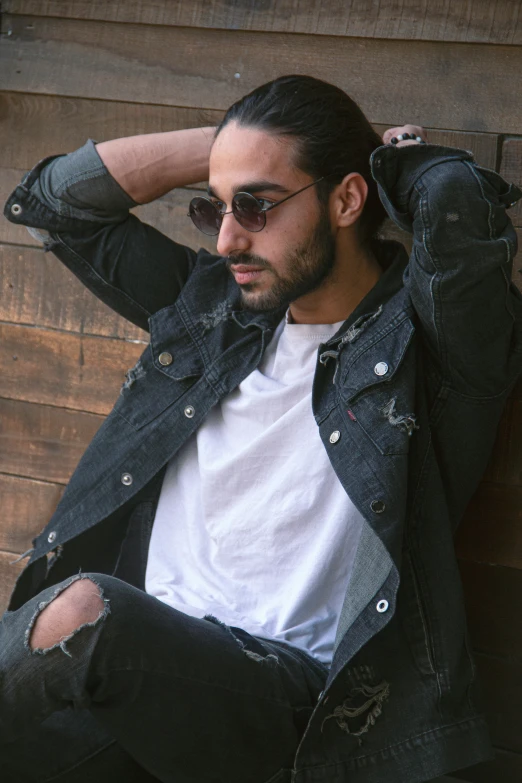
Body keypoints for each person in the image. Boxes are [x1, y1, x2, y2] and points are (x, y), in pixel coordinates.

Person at [1, 74, 521, 783]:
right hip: (141, 681)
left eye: (256, 204)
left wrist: (386, 158)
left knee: (86, 613)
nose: (227, 239)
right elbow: (56, 203)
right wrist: (228, 150)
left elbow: (456, 204)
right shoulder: (210, 316)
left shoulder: (432, 351)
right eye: (215, 206)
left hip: (291, 710)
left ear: (346, 199)